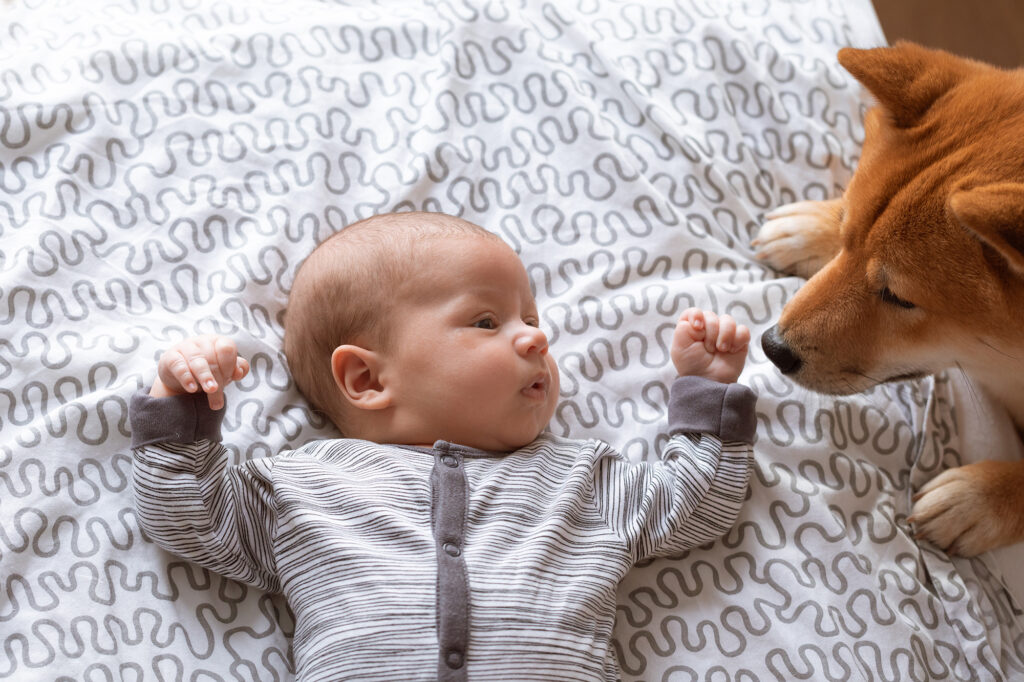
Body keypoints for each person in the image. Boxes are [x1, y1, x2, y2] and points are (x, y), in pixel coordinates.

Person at [129, 211, 757, 682]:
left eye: (532, 321)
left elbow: (695, 505)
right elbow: (189, 518)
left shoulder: (581, 479)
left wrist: (705, 389)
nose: (536, 340)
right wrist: (183, 401)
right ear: (368, 380)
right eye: (488, 322)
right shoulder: (300, 487)